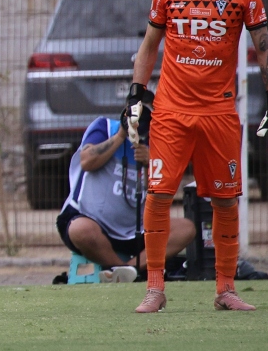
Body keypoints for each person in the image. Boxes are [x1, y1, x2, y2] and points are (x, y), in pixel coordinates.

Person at [126, 0, 268, 313]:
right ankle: (155, 287)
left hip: (218, 115)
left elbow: (264, 47)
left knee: (226, 201)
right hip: (171, 113)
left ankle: (225, 289)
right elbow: (148, 47)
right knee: (159, 194)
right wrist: (135, 94)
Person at [58, 116, 195, 283]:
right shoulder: (105, 127)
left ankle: (129, 271)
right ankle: (122, 270)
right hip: (93, 222)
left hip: (136, 230)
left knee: (186, 229)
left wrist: (150, 163)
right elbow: (87, 161)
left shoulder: (159, 142)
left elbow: (161, 196)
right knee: (80, 230)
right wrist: (120, 135)